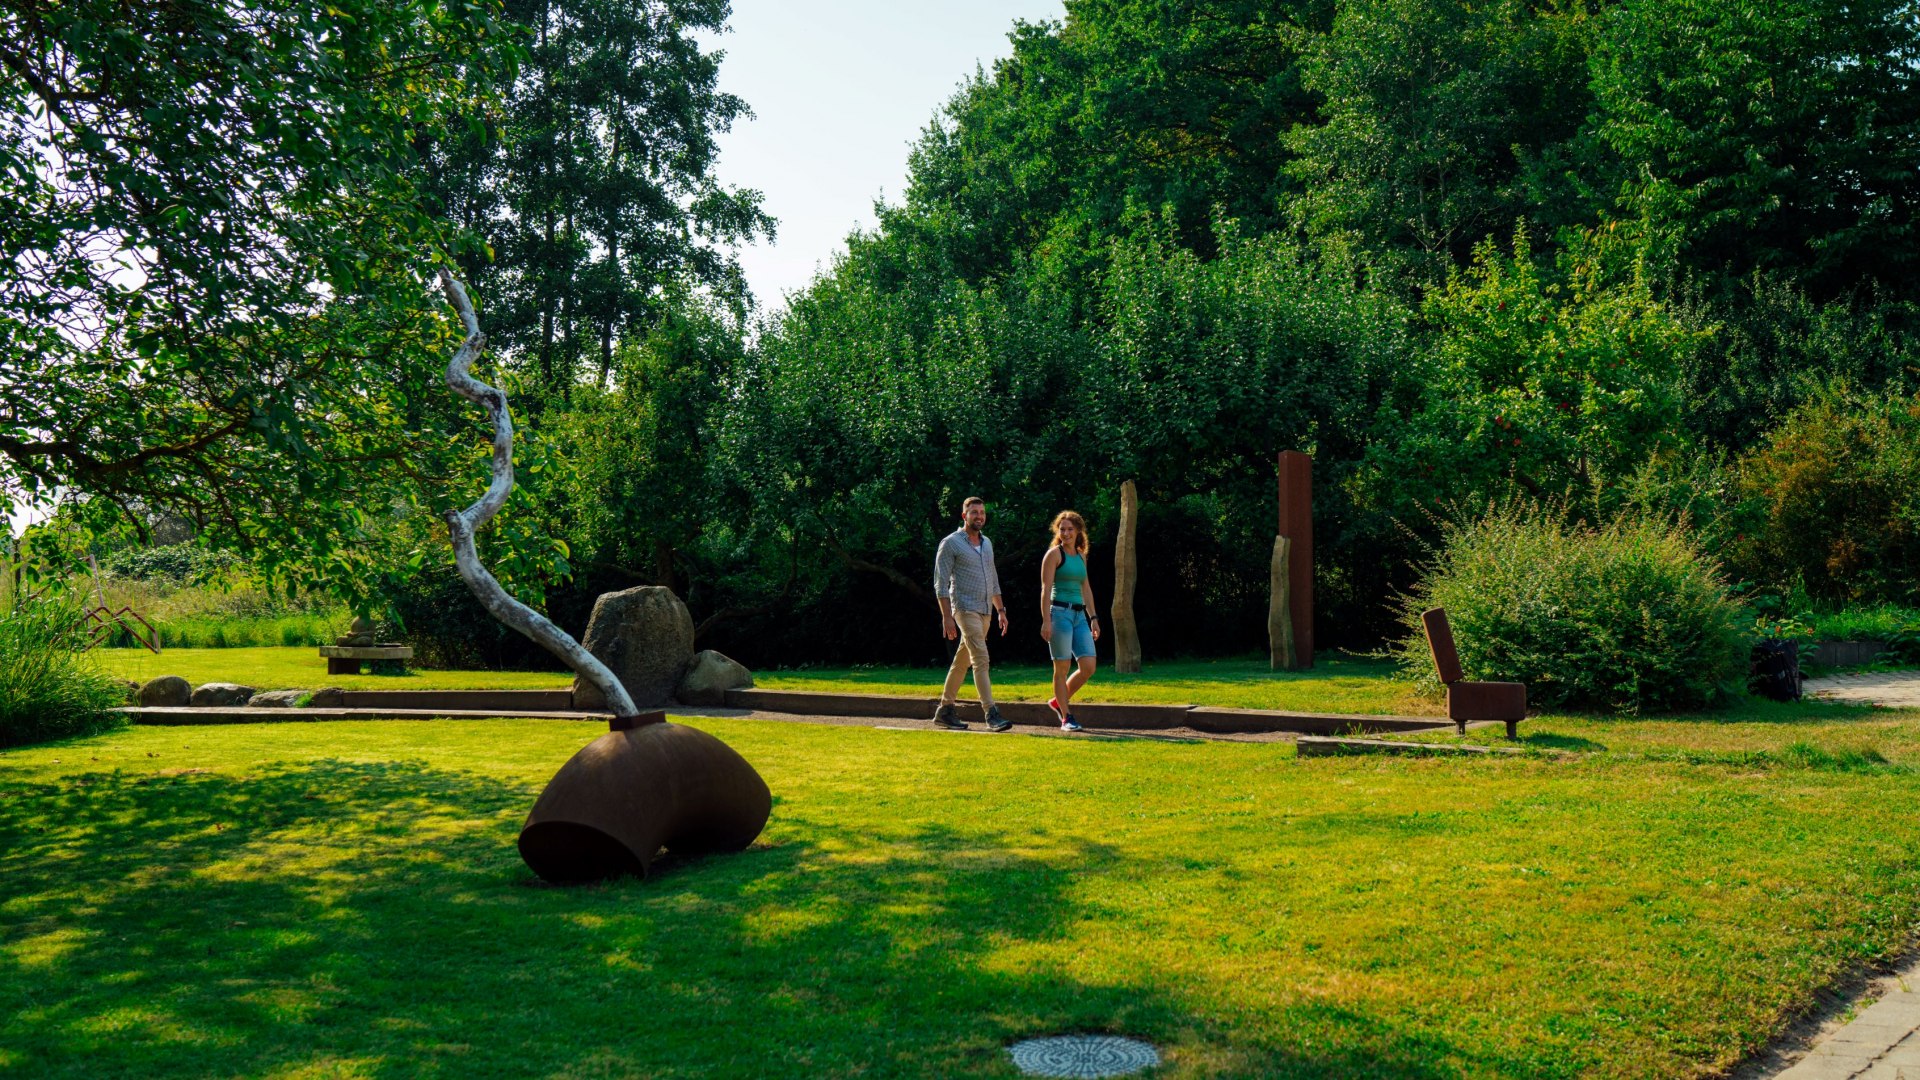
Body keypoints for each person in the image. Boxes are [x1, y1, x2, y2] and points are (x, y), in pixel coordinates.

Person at [932, 496, 1012, 732]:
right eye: (974, 512)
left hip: (986, 610)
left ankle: (945, 710)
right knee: (981, 658)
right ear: (964, 516)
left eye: (982, 512)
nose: (979, 516)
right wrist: (947, 617)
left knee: (962, 661)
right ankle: (991, 713)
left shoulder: (987, 543)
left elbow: (993, 578)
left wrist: (1001, 610)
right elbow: (940, 584)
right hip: (964, 608)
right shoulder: (951, 543)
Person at [1039, 510, 1099, 732]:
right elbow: (1045, 590)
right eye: (1062, 529)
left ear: (1078, 531)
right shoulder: (1054, 555)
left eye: (1070, 529)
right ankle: (1066, 717)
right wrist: (1046, 621)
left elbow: (1086, 588)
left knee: (1089, 666)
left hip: (1079, 616)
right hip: (1059, 614)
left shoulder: (1081, 556)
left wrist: (1093, 617)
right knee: (1062, 667)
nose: (1065, 533)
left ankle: (1058, 701)